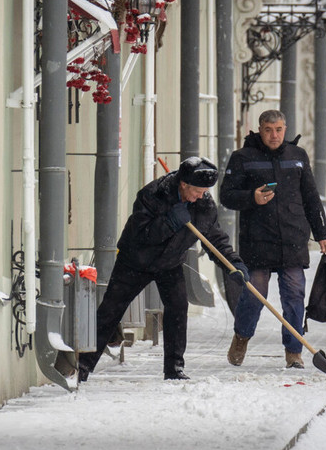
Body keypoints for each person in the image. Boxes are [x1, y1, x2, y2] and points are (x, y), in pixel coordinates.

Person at [78, 157, 249, 382]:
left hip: (170, 263)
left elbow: (215, 238)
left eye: (204, 191)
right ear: (184, 184)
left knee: (178, 307)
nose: (201, 196)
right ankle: (82, 366)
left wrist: (233, 264)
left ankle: (174, 368)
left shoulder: (204, 205)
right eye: (197, 191)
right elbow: (141, 235)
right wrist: (169, 222)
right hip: (135, 260)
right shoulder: (153, 195)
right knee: (111, 310)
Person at [220, 109, 326, 369]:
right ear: (260, 129)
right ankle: (242, 336)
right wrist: (251, 197)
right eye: (268, 130)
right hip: (257, 239)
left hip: (293, 238)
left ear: (285, 128)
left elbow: (311, 198)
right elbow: (226, 195)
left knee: (294, 296)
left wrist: (321, 232)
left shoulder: (298, 156)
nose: (274, 135)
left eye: (279, 129)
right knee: (255, 295)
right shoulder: (243, 158)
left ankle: (294, 352)